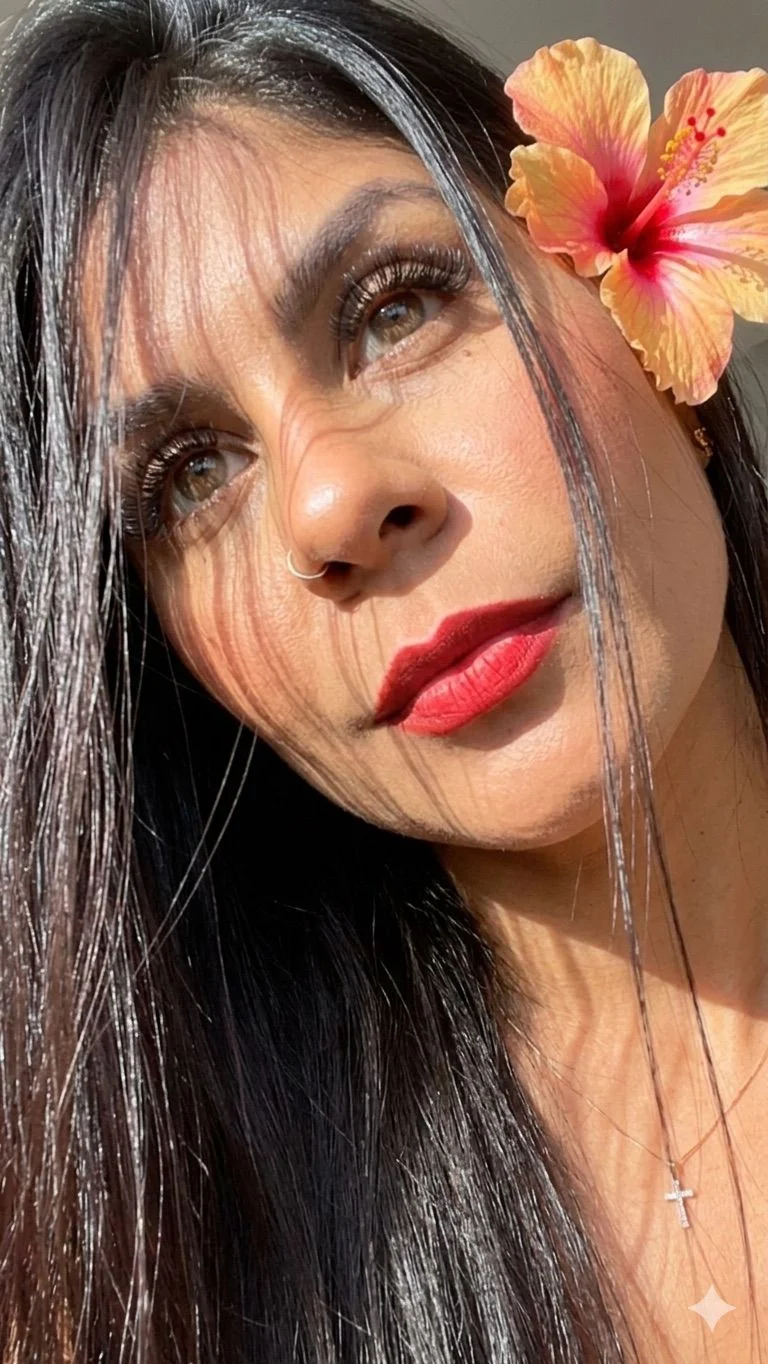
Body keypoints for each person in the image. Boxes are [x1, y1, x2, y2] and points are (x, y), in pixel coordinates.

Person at [0, 0, 766, 1357]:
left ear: (647, 302)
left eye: (394, 307)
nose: (332, 505)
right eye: (188, 476)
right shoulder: (134, 1285)